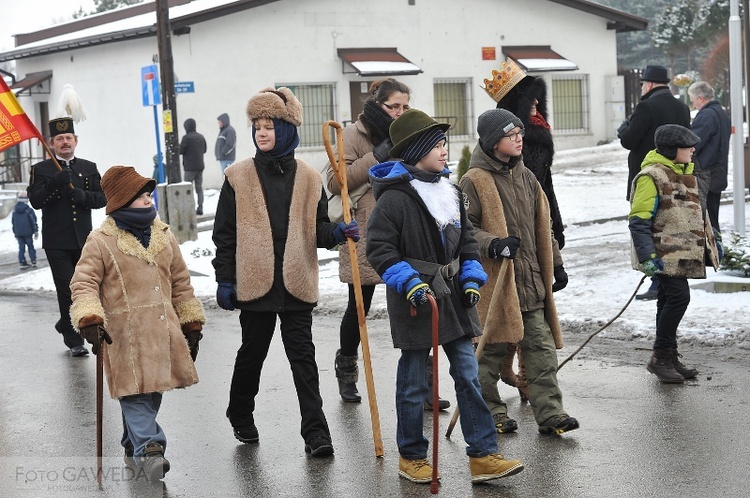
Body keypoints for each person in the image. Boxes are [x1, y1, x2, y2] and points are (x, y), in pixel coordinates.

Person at [366, 109, 524, 484]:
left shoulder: (450, 192)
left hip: (452, 298)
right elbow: (380, 250)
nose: (444, 151)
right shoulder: (394, 199)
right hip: (416, 299)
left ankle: (483, 456)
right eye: (437, 145)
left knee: (468, 376)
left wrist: (471, 276)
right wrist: (410, 283)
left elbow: (467, 242)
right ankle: (411, 456)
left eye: (444, 144)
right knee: (415, 383)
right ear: (418, 149)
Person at [212, 87, 359, 457]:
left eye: (270, 126)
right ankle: (240, 411)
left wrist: (338, 232)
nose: (262, 133)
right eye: (257, 126)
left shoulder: (310, 178)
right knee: (252, 354)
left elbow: (319, 231)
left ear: (288, 128)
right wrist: (225, 279)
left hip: (296, 283)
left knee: (303, 361)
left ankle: (316, 433)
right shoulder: (237, 176)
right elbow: (224, 235)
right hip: (255, 283)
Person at [69, 165, 206, 481]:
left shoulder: (164, 235)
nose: (147, 199)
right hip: (123, 336)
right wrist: (90, 318)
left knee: (152, 393)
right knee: (134, 394)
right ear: (120, 201)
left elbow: (182, 282)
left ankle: (134, 443)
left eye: (148, 193)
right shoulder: (101, 241)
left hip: (161, 332)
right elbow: (84, 281)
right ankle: (151, 448)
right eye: (139, 195)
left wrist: (191, 323)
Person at [324, 78, 448, 410]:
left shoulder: (410, 129)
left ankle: (425, 387)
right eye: (394, 106)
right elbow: (337, 180)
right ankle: (346, 370)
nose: (400, 112)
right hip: (365, 231)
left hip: (407, 232)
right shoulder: (354, 135)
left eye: (405, 106)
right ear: (377, 104)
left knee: (417, 306)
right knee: (359, 309)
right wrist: (376, 156)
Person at [459, 109, 578, 436]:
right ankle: (491, 412)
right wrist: (493, 244)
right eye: (511, 135)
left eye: (520, 134)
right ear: (493, 141)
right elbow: (464, 229)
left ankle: (551, 413)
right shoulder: (474, 181)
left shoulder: (526, 177)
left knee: (541, 352)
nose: (519, 139)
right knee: (490, 355)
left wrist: (556, 264)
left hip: (531, 285)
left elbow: (545, 226)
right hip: (497, 287)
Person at [628, 124, 720, 383]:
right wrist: (647, 257)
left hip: (680, 252)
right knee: (679, 298)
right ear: (671, 150)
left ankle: (669, 356)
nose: (693, 149)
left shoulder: (684, 173)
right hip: (662, 254)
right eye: (687, 146)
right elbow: (638, 219)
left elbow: (694, 214)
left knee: (667, 301)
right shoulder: (651, 176)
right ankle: (659, 357)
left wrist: (713, 242)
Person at [28, 117, 107, 357]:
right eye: (59, 139)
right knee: (66, 289)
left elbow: (102, 198)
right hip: (56, 241)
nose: (65, 142)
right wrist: (54, 184)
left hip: (83, 240)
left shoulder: (88, 167)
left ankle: (66, 323)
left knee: (87, 287)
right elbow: (36, 201)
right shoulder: (41, 169)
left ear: (76, 141)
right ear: (52, 143)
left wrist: (83, 196)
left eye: (68, 138)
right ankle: (74, 340)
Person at [618, 64, 691, 301]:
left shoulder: (645, 106)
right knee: (669, 226)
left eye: (642, 84)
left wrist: (625, 128)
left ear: (648, 84)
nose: (641, 88)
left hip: (647, 177)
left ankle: (656, 280)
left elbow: (629, 140)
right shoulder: (681, 107)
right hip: (674, 177)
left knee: (647, 227)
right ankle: (668, 275)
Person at [688, 81, 731, 234]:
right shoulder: (721, 112)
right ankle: (718, 253)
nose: (694, 105)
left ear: (700, 98)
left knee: (707, 222)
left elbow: (693, 142)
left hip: (705, 173)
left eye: (693, 101)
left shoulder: (706, 115)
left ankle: (714, 255)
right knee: (712, 218)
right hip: (718, 172)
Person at [179, 118, 207, 215]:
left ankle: (190, 208)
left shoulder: (186, 138)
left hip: (189, 168)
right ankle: (200, 207)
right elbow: (204, 150)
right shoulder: (201, 137)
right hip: (200, 166)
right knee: (199, 188)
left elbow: (180, 151)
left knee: (188, 189)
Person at [11, 190, 38, 270]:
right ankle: (33, 261)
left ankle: (22, 262)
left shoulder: (15, 210)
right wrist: (35, 230)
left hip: (19, 233)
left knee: (21, 248)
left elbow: (13, 222)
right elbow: (33, 221)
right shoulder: (28, 210)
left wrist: (15, 232)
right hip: (28, 232)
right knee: (30, 247)